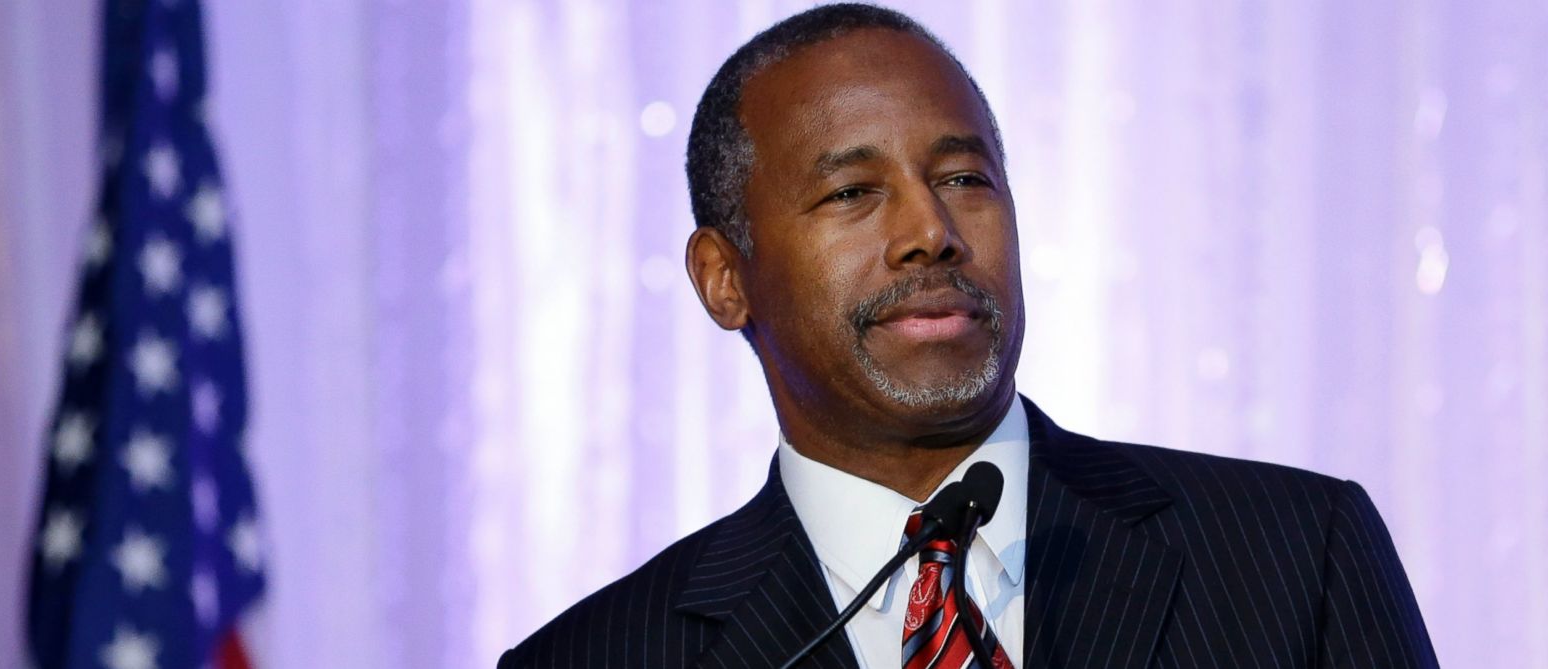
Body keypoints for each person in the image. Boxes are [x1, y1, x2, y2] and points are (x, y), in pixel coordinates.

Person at [500, 4, 1437, 668]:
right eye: (852, 192)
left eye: (964, 178)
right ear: (726, 278)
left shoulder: (1291, 558)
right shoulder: (603, 653)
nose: (931, 230)